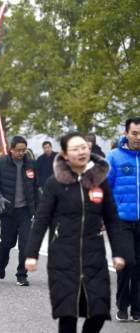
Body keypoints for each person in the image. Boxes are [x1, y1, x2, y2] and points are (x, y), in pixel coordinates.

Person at [25, 132, 126, 333]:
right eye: (75, 149)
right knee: (67, 314)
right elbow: (42, 220)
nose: (81, 152)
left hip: (94, 256)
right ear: (64, 154)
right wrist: (31, 254)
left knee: (98, 312)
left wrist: (118, 252)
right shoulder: (55, 183)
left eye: (84, 147)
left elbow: (112, 220)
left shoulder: (100, 182)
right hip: (62, 257)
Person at [0, 136, 39, 286]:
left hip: (25, 211)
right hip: (8, 210)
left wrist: (38, 209)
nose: (21, 153)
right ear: (11, 149)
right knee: (7, 243)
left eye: (23, 150)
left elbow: (36, 188)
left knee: (25, 244)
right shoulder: (1, 163)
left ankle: (21, 274)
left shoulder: (30, 164)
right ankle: (1, 263)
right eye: (18, 150)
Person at [107, 117, 140, 322]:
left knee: (139, 266)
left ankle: (137, 309)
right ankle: (122, 304)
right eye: (135, 133)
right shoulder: (114, 157)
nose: (138, 137)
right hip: (121, 221)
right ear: (126, 133)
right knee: (128, 263)